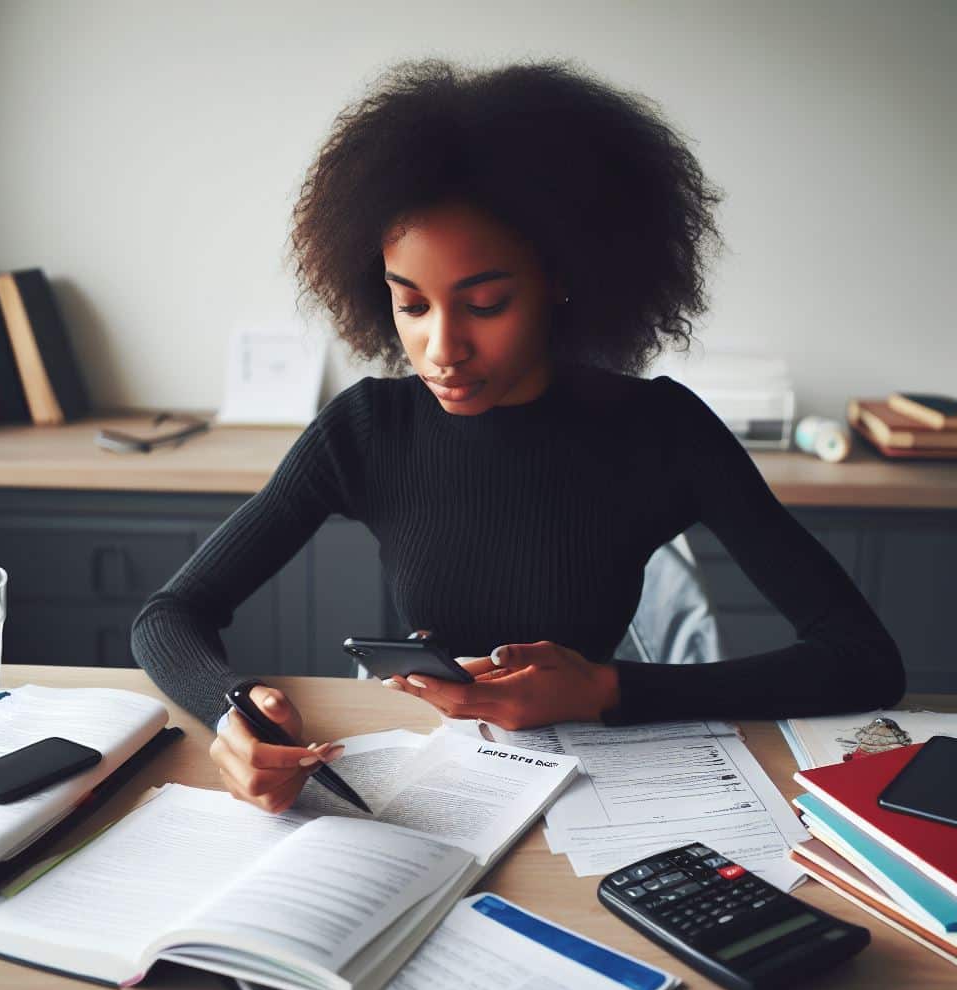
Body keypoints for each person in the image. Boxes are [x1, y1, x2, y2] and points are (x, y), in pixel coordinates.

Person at [131, 58, 905, 815]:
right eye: (412, 306)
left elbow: (862, 660)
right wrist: (233, 711)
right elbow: (170, 616)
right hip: (430, 792)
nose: (443, 348)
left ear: (560, 281)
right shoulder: (368, 428)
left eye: (487, 303)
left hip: (605, 797)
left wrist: (607, 689)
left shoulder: (661, 430)